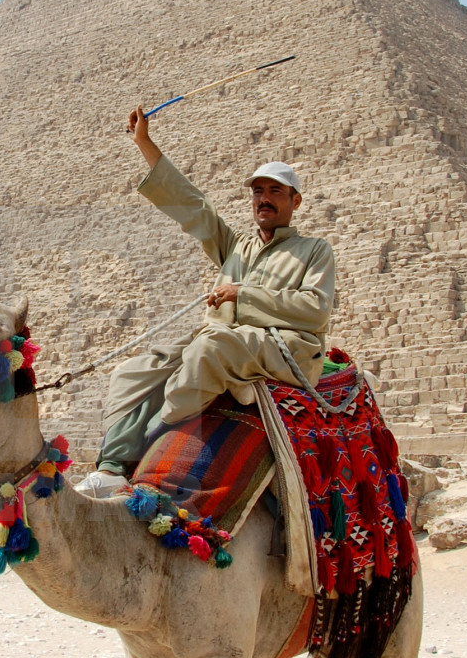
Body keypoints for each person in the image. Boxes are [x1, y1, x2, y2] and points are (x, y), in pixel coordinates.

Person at [76, 106, 336, 497]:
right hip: (223, 339)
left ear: (295, 201)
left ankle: (143, 448)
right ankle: (111, 464)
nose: (264, 200)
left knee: (207, 349)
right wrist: (144, 142)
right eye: (258, 191)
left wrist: (242, 294)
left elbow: (315, 309)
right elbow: (190, 204)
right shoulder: (237, 246)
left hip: (285, 349)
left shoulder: (315, 250)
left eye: (275, 192)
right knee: (134, 372)